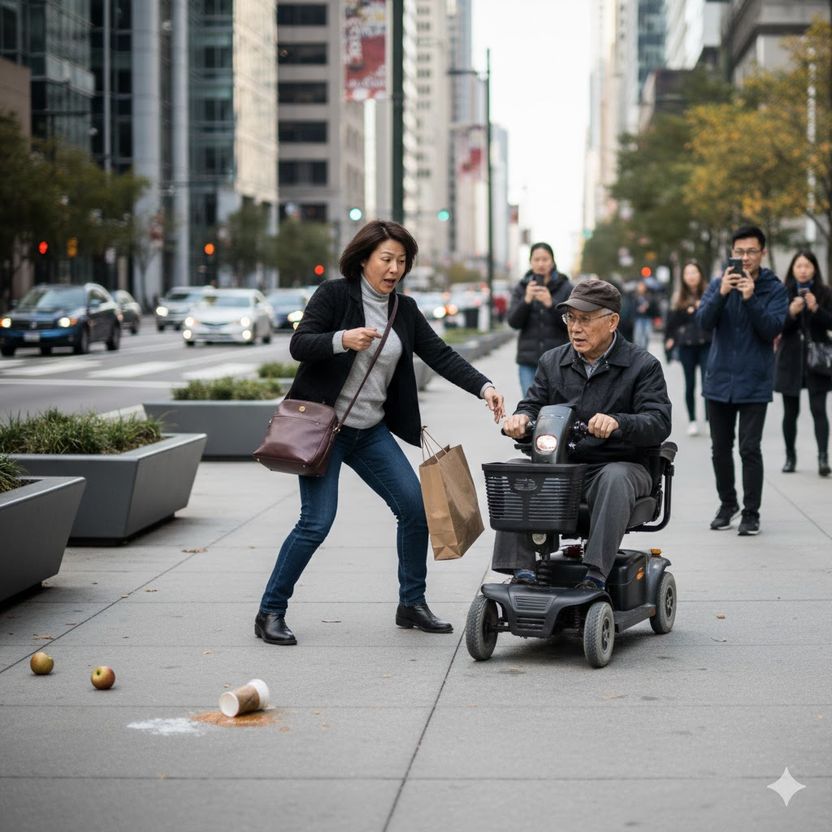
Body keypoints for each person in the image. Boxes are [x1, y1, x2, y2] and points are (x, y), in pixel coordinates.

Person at [255, 220, 505, 646]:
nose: (394, 269)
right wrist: (342, 339)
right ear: (363, 260)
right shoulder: (334, 295)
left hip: (370, 431)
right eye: (386, 259)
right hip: (325, 432)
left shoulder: (402, 309)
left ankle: (411, 604)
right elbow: (300, 344)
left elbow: (440, 354)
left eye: (401, 261)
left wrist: (484, 387)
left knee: (415, 509)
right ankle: (270, 611)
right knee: (316, 523)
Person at [492, 277, 672, 590]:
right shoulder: (552, 361)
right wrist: (521, 420)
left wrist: (618, 423)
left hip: (620, 466)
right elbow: (532, 405)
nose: (575, 328)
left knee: (614, 477)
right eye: (570, 318)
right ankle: (522, 573)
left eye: (585, 320)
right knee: (515, 470)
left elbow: (658, 422)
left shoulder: (643, 365)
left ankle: (595, 576)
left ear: (612, 322)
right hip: (564, 467)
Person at [695, 224, 789, 535]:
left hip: (754, 380)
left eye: (751, 251)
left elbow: (772, 329)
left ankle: (751, 512)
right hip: (719, 379)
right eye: (739, 252)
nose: (745, 257)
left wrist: (750, 298)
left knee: (750, 449)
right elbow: (703, 322)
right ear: (732, 253)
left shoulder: (774, 289)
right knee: (720, 449)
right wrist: (722, 293)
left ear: (762, 253)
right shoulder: (718, 283)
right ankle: (728, 504)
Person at [773, 250, 832, 477]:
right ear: (793, 269)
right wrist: (791, 312)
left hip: (817, 359)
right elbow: (775, 326)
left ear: (814, 269)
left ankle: (823, 458)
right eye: (799, 266)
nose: (803, 270)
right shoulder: (784, 292)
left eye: (807, 266)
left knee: (819, 410)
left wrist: (816, 309)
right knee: (790, 412)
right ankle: (790, 457)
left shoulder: (825, 292)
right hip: (790, 358)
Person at [506, 243, 573, 395]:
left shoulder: (565, 286)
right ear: (530, 262)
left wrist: (551, 304)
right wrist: (526, 300)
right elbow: (513, 322)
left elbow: (572, 323)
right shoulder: (522, 287)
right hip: (528, 362)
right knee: (530, 404)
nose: (541, 264)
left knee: (557, 405)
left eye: (545, 259)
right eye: (536, 259)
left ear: (552, 261)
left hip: (559, 361)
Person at [664, 260, 712, 436]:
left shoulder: (710, 294)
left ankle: (708, 419)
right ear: (683, 277)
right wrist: (670, 341)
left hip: (706, 343)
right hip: (687, 345)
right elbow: (672, 324)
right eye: (688, 273)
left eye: (694, 272)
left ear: (700, 274)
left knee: (708, 383)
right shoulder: (679, 297)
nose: (691, 276)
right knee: (690, 383)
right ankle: (692, 420)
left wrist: (701, 307)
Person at [632, 278, 659, 351]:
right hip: (638, 318)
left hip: (647, 318)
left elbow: (654, 307)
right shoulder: (634, 296)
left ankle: (644, 351)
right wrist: (638, 309)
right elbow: (632, 308)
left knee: (647, 336)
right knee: (638, 338)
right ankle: (639, 352)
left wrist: (648, 306)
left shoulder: (649, 296)